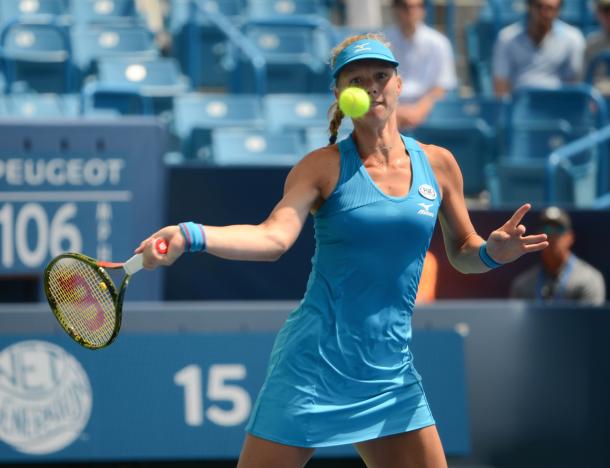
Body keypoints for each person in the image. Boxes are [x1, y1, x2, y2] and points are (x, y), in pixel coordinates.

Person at [136, 33, 548, 468]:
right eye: (357, 79)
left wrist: (491, 254)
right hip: (313, 366)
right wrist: (191, 234)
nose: (372, 86)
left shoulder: (439, 164)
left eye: (381, 75)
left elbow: (463, 249)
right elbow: (273, 238)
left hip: (390, 373)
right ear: (340, 94)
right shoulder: (321, 167)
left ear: (399, 83)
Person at [510, 206, 606, 306]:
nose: (552, 235)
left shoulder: (589, 280)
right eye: (547, 229)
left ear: (570, 237)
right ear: (537, 236)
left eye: (559, 229)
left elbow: (589, 321)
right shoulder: (522, 284)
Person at [385, 0, 458, 128]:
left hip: (430, 113)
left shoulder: (439, 42)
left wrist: (418, 111)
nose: (412, 11)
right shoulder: (382, 42)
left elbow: (440, 87)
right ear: (395, 9)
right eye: (406, 6)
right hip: (389, 113)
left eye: (418, 6)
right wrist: (395, 112)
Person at [492, 0, 585, 97]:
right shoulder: (506, 38)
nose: (544, 13)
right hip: (519, 107)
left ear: (558, 11)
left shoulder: (573, 38)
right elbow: (500, 86)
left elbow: (574, 83)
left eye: (550, 8)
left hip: (557, 106)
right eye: (539, 7)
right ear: (529, 6)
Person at [583, 0, 610, 95]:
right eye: (606, 10)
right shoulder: (591, 44)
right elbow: (583, 83)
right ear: (598, 13)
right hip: (598, 104)